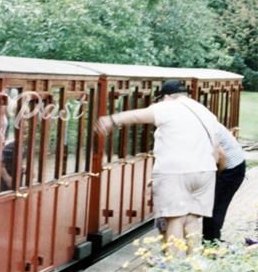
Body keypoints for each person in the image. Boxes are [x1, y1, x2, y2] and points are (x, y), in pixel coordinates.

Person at [94, 79, 222, 251]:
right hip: (206, 170)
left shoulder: (168, 106)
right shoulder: (205, 111)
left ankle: (173, 266)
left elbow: (137, 115)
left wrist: (111, 119)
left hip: (177, 171)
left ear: (167, 96)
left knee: (175, 218)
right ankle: (194, 265)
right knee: (192, 219)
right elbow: (215, 149)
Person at [202, 122, 246, 242]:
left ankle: (211, 243)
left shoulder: (202, 126)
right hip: (231, 165)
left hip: (231, 169)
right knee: (213, 205)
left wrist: (218, 176)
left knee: (215, 206)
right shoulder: (203, 118)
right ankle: (210, 240)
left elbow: (222, 156)